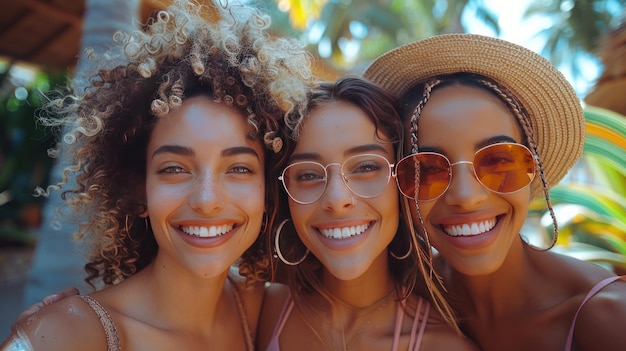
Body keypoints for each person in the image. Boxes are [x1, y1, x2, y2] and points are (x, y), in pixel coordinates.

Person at [1, 0, 312, 349]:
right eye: (175, 169)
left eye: (239, 168)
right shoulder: (70, 335)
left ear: (267, 192)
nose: (207, 200)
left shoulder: (264, 311)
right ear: (138, 190)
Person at [363, 33, 626, 350]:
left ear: (534, 169)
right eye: (427, 169)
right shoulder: (392, 297)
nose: (465, 195)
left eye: (498, 160)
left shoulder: (608, 317)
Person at [257, 76, 478, 350]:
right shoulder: (264, 310)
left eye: (365, 168)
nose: (337, 200)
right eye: (309, 174)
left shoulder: (444, 346)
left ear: (403, 180)